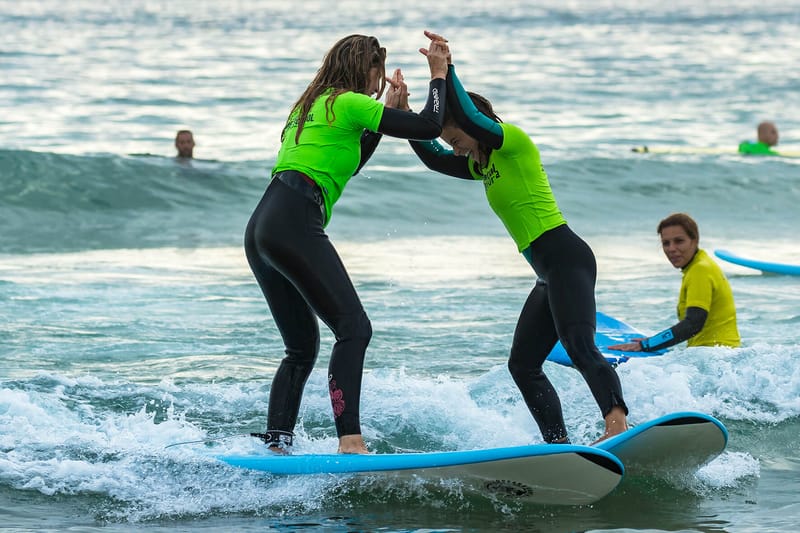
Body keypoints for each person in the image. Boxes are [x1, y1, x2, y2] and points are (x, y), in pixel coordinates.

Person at [405, 31, 628, 445]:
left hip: (566, 257)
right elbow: (435, 160)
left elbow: (471, 118)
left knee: (579, 346)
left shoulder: (513, 144)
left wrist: (446, 69)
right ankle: (558, 446)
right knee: (523, 365)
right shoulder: (482, 166)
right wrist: (401, 115)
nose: (455, 149)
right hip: (546, 272)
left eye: (456, 140)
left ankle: (617, 424)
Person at [244, 33, 450, 454]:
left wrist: (384, 114)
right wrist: (439, 75)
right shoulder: (351, 102)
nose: (378, 84)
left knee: (301, 348)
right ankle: (350, 441)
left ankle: (277, 443)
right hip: (295, 219)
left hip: (263, 227)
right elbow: (430, 125)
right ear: (365, 68)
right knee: (354, 329)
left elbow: (349, 163)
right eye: (377, 73)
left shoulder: (312, 106)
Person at [609, 213, 740, 353]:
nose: (671, 249)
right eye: (666, 243)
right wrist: (654, 341)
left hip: (713, 356)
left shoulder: (700, 270)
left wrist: (647, 345)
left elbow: (693, 323)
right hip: (721, 354)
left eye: (679, 241)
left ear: (695, 240)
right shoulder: (701, 265)